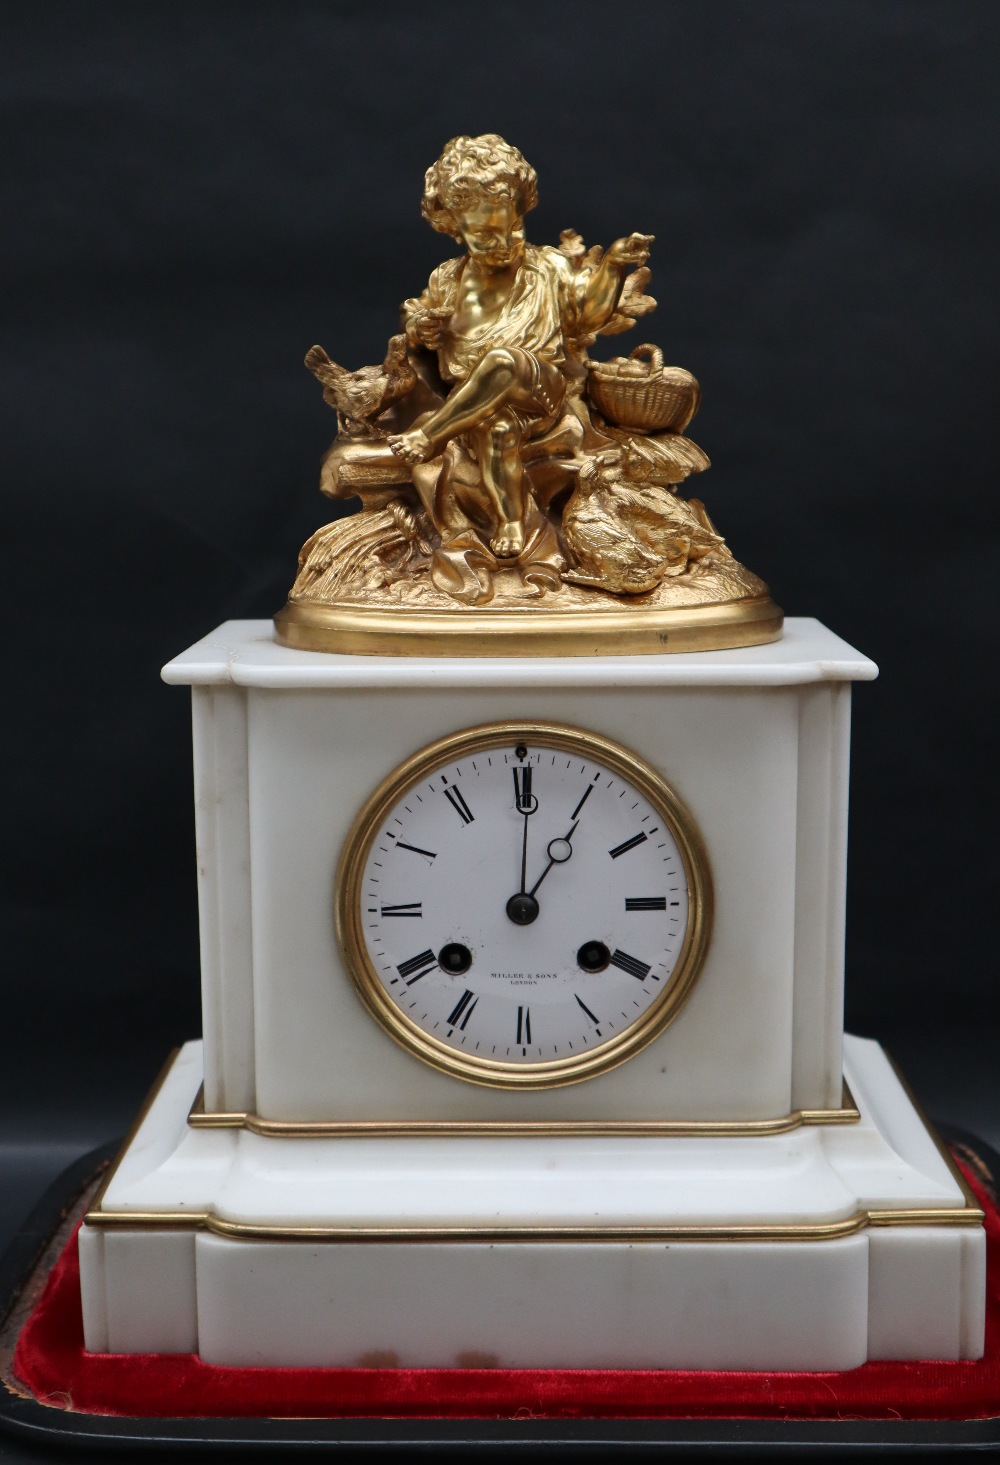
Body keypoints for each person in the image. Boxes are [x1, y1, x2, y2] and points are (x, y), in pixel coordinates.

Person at [388, 134, 652, 559]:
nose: (504, 240)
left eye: (512, 226)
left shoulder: (548, 266)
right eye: (485, 234)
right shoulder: (446, 280)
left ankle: (429, 435)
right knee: (496, 429)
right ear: (454, 228)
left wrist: (615, 266)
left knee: (504, 362)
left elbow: (587, 315)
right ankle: (511, 519)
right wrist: (424, 328)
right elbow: (416, 320)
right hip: (474, 406)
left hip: (539, 394)